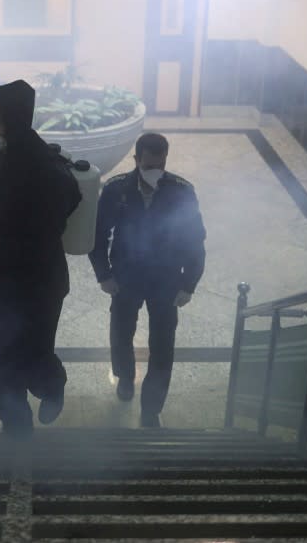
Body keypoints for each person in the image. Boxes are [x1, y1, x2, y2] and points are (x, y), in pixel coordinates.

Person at [0, 80, 81, 438]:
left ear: (18, 120)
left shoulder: (46, 174)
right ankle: (17, 425)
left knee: (32, 357)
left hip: (37, 285)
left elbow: (39, 242)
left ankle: (52, 389)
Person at [88, 132, 206, 427]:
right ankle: (125, 378)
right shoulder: (117, 189)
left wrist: (188, 284)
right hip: (126, 276)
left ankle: (152, 407)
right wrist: (104, 274)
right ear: (137, 160)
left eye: (161, 165)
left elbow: (194, 240)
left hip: (166, 278)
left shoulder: (181, 191)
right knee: (121, 333)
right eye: (149, 165)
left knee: (163, 344)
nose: (156, 171)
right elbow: (97, 235)